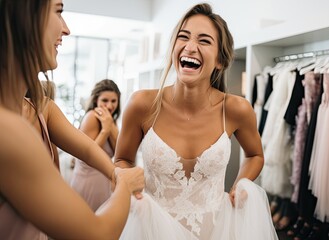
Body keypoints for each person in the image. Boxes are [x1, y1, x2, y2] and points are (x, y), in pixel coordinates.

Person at [114, 3, 278, 240]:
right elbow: (122, 159)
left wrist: (239, 185)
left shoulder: (236, 109)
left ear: (220, 60)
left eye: (204, 41)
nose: (190, 47)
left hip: (216, 230)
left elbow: (255, 155)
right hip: (151, 230)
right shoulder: (141, 104)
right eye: (183, 37)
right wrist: (128, 183)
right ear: (174, 49)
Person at [0, 0, 144, 239]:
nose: (66, 29)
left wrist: (115, 173)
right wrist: (124, 185)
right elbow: (98, 234)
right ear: (24, 18)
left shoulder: (43, 108)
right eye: (58, 11)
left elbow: (87, 149)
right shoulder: (8, 131)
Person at [71, 79, 121, 210]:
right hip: (87, 181)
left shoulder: (111, 120)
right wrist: (105, 130)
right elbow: (86, 157)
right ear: (96, 101)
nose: (109, 106)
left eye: (113, 101)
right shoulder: (91, 117)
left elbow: (119, 153)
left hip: (103, 184)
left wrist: (110, 126)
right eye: (105, 100)